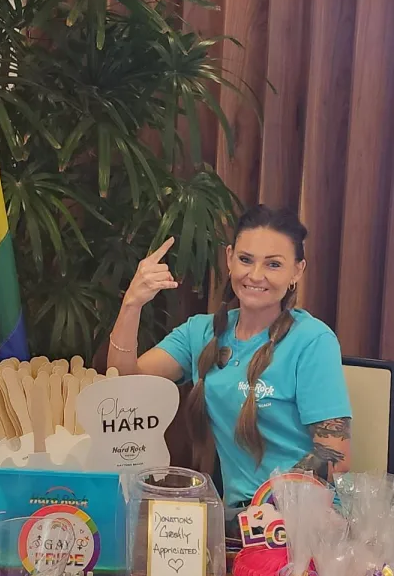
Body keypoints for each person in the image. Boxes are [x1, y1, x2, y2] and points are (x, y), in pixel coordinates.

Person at [107, 205, 351, 514]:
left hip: (306, 519)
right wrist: (132, 303)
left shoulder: (313, 340)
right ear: (229, 258)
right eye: (246, 260)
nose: (256, 275)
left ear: (297, 271)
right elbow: (123, 383)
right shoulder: (201, 332)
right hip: (240, 519)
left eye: (274, 264)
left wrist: (270, 506)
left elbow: (335, 453)